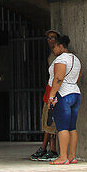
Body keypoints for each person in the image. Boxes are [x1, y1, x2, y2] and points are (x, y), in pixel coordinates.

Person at [47, 35, 81, 165]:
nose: (53, 49)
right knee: (72, 127)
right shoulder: (76, 59)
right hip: (75, 93)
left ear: (61, 46)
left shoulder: (61, 59)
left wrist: (52, 95)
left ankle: (63, 157)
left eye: (55, 46)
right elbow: (77, 78)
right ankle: (72, 156)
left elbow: (58, 78)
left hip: (63, 94)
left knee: (62, 127)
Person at [30, 28, 59, 161]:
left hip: (55, 91)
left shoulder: (61, 57)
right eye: (48, 38)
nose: (50, 40)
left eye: (52, 38)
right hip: (49, 90)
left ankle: (47, 148)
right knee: (47, 120)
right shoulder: (51, 56)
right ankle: (47, 147)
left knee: (50, 121)